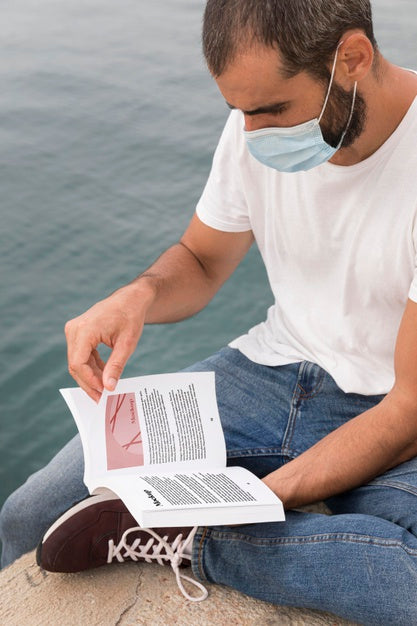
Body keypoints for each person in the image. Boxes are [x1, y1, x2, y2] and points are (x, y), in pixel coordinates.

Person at [2, 0, 417, 622]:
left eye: (271, 110)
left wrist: (241, 505)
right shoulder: (256, 126)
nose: (251, 134)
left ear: (352, 59)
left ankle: (198, 543)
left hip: (391, 409)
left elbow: (408, 407)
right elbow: (201, 259)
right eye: (238, 111)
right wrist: (137, 295)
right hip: (269, 370)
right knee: (31, 514)